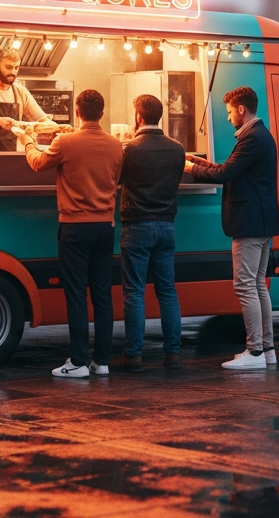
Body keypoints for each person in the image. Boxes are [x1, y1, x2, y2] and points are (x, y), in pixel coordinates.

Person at [17, 89, 123, 378]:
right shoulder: (116, 145)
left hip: (75, 227)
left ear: (78, 112)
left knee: (76, 294)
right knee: (102, 294)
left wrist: (26, 140)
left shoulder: (65, 142)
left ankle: (77, 361)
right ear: (101, 113)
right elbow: (117, 178)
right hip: (104, 227)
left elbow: (38, 163)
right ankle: (101, 362)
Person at [185, 86, 279, 370]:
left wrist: (192, 170)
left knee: (245, 286)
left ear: (241, 109)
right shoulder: (261, 136)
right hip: (262, 223)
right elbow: (233, 169)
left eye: (229, 112)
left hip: (249, 224)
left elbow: (226, 174)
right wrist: (206, 164)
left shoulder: (252, 137)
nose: (228, 118)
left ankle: (254, 353)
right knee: (258, 287)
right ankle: (267, 349)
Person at [113, 94, 186, 372]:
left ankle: (133, 356)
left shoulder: (128, 149)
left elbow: (116, 180)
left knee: (134, 293)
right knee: (167, 291)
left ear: (138, 117)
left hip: (137, 226)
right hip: (166, 226)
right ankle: (174, 354)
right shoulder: (177, 149)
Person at [0, 46, 49, 151]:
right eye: (9, 67)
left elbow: (43, 119)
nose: (13, 72)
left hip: (11, 154)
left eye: (16, 68)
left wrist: (62, 131)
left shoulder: (21, 91)